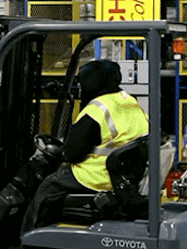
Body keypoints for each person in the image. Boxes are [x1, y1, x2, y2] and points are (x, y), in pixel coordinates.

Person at [24, 58, 149, 230]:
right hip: (125, 178)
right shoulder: (129, 101)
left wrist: (64, 149)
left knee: (48, 187)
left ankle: (28, 240)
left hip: (96, 177)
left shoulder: (96, 110)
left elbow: (71, 154)